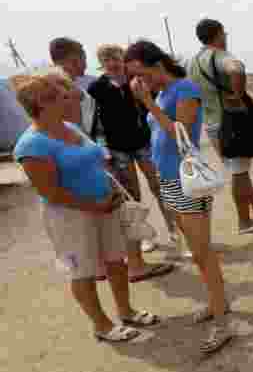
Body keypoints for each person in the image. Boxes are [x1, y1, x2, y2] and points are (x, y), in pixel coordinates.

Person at [11, 70, 162, 343]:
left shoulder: (70, 127)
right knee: (83, 271)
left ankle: (126, 311)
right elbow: (51, 193)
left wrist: (112, 188)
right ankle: (102, 325)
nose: (73, 100)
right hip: (71, 217)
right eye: (63, 97)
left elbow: (96, 160)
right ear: (44, 104)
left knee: (116, 261)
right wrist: (95, 205)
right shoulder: (31, 146)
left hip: (105, 206)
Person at [124, 40, 233, 354]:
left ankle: (223, 322)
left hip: (187, 181)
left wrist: (148, 103)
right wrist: (150, 100)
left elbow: (180, 133)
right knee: (196, 251)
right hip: (171, 179)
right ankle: (218, 304)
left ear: (156, 65)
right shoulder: (161, 93)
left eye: (140, 74)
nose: (138, 82)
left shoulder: (184, 89)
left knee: (202, 252)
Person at [88, 44, 178, 280]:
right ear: (101, 62)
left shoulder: (136, 80)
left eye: (115, 56)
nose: (111, 62)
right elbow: (95, 124)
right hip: (117, 149)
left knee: (159, 186)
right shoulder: (96, 88)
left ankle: (175, 231)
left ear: (123, 58)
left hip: (143, 142)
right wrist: (102, 150)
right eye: (105, 58)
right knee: (132, 197)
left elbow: (154, 104)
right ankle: (145, 237)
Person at [188, 18, 253, 235]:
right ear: (218, 34)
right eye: (224, 33)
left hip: (212, 123)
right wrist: (237, 96)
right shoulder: (221, 55)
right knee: (239, 173)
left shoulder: (193, 62)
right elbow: (236, 69)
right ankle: (244, 221)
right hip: (232, 121)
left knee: (238, 169)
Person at [49, 37, 98, 136]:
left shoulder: (46, 85)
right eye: (84, 59)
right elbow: (78, 132)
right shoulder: (66, 91)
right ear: (74, 61)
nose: (85, 64)